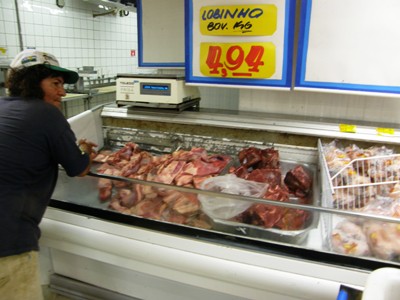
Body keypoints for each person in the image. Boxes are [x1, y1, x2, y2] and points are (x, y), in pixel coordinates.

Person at [0, 49, 97, 300]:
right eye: (55, 83)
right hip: (8, 242)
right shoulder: (47, 114)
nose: (63, 92)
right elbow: (80, 168)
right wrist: (85, 149)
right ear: (31, 82)